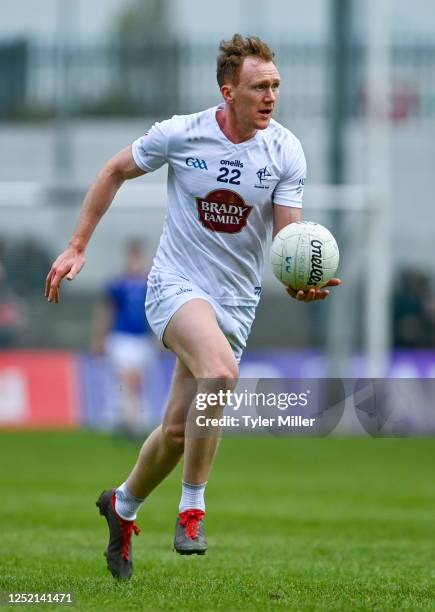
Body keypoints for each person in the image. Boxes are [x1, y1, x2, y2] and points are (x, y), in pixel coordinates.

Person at [45, 34, 341, 580]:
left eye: (275, 85)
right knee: (221, 372)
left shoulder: (285, 150)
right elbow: (114, 170)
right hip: (176, 286)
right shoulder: (182, 133)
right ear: (229, 91)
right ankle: (192, 508)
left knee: (179, 431)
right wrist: (79, 244)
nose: (271, 96)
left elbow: (288, 240)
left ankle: (123, 505)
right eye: (260, 87)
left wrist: (299, 280)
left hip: (235, 300)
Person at [91, 238, 156, 434]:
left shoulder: (150, 283)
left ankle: (132, 421)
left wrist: (158, 337)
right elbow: (107, 311)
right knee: (127, 379)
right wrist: (99, 337)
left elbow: (155, 312)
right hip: (121, 338)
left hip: (143, 339)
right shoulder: (118, 284)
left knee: (138, 382)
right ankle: (128, 423)